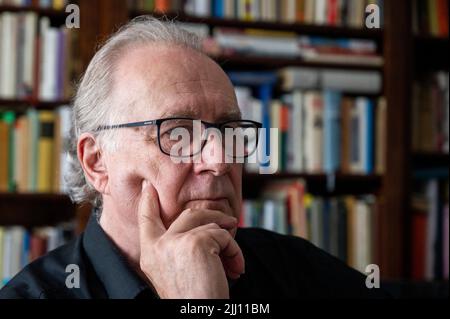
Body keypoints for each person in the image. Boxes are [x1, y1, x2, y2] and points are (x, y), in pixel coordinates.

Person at [0, 17, 387, 299]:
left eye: (229, 131)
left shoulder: (290, 267)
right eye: (177, 134)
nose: (220, 162)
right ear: (97, 161)